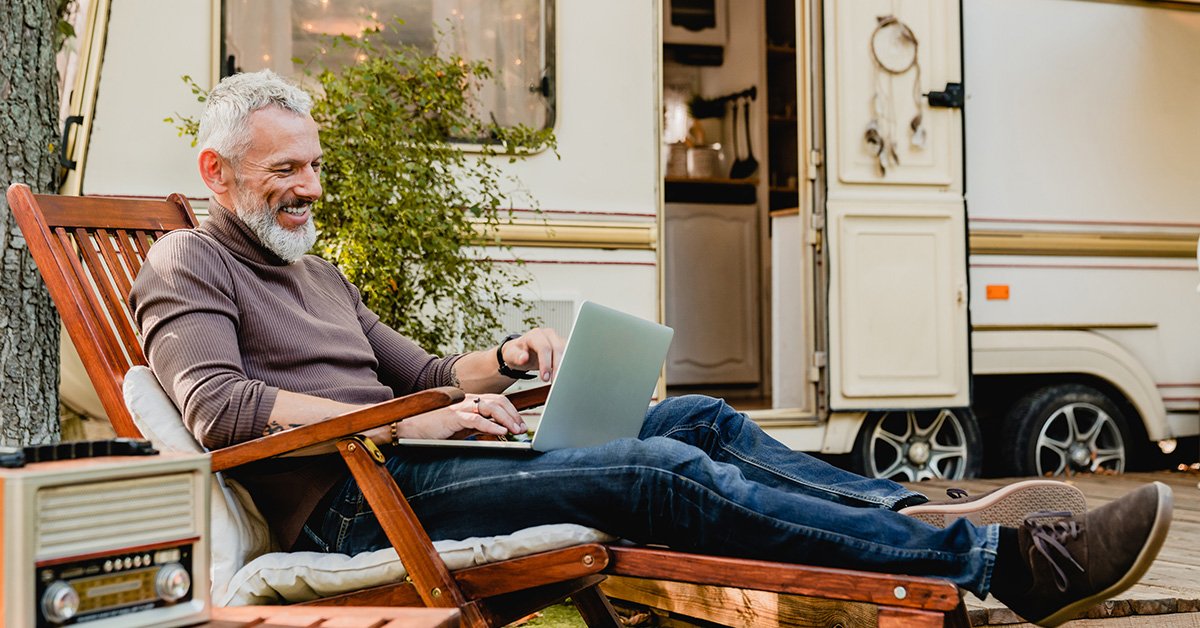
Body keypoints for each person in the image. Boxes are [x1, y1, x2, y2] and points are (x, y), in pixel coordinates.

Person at [129, 70, 1172, 628]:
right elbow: (220, 410)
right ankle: (1001, 561)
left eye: (313, 165)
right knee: (655, 470)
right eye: (284, 172)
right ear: (219, 172)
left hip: (413, 461)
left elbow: (431, 377)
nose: (309, 187)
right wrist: (416, 420)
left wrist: (510, 359)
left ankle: (914, 512)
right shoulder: (186, 263)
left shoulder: (314, 270)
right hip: (359, 506)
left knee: (696, 420)